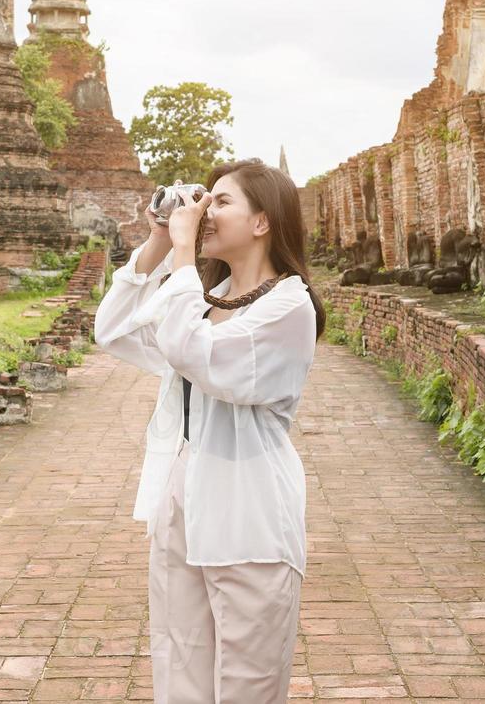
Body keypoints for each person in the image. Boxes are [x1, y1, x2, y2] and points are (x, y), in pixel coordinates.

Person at [94, 157, 326, 704]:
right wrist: (157, 240)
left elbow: (195, 354)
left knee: (247, 682)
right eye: (207, 200)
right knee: (179, 671)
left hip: (248, 511)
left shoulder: (288, 307)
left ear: (263, 222)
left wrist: (181, 255)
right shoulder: (203, 298)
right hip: (181, 498)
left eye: (222, 202)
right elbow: (112, 330)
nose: (206, 213)